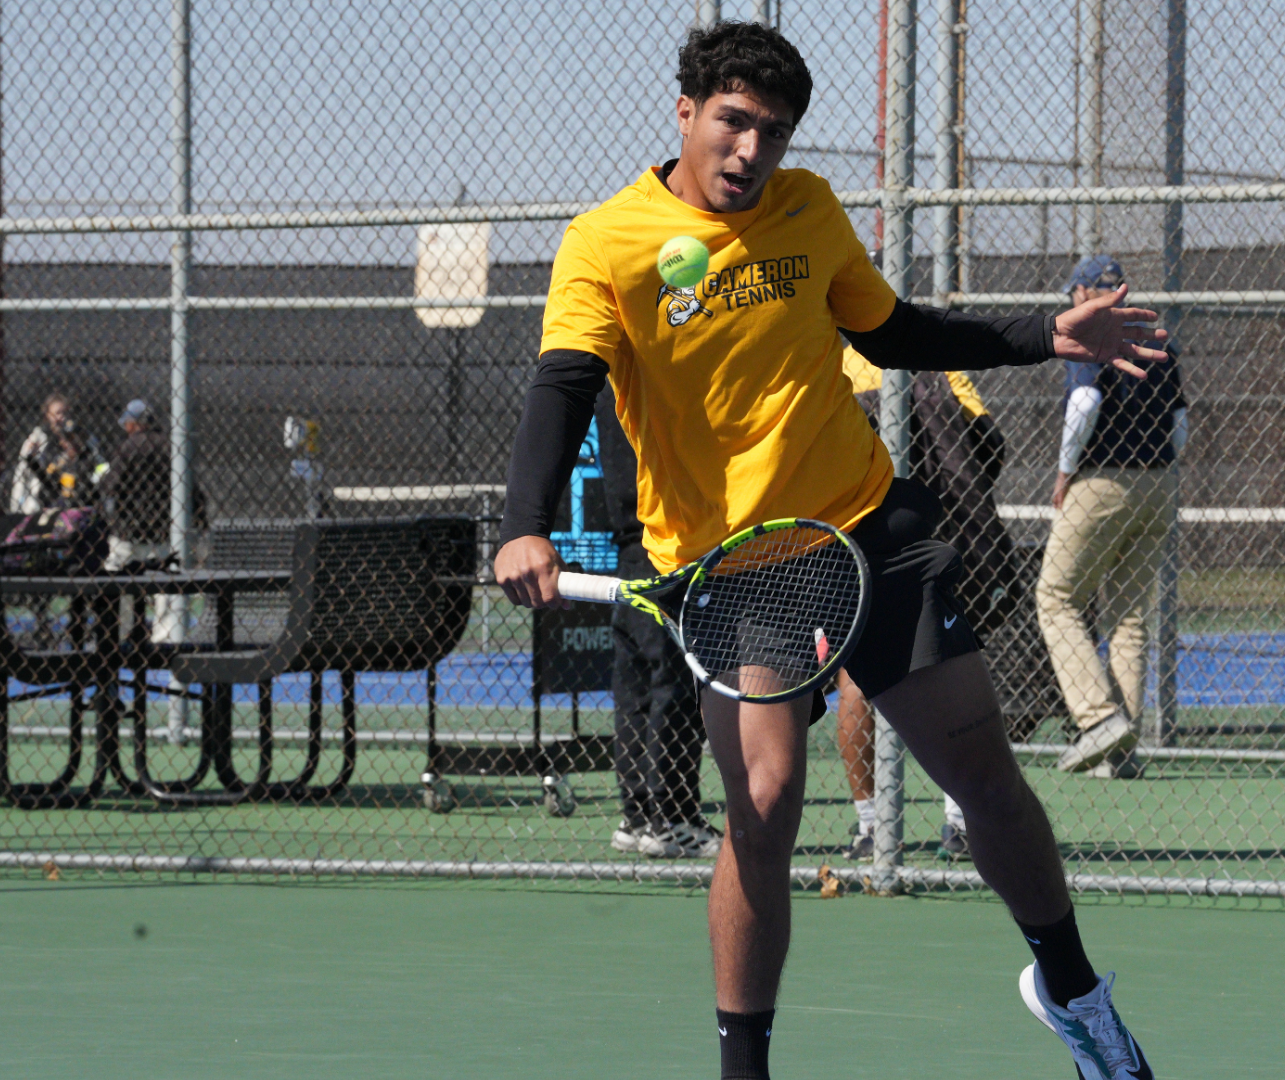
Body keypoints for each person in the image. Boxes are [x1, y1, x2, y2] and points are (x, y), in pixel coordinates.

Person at [493, 24, 1164, 1079]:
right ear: (686, 113)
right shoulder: (606, 244)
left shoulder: (808, 210)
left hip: (867, 527)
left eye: (773, 130)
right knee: (761, 810)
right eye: (733, 122)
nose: (751, 149)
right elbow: (564, 387)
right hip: (734, 572)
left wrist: (1045, 335)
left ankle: (1075, 995)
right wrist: (522, 520)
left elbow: (891, 332)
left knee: (986, 778)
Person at [834, 348, 1017, 862]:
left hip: (857, 538)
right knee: (950, 670)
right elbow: (987, 443)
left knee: (856, 677)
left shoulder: (830, 361)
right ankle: (960, 822)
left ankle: (872, 829)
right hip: (932, 533)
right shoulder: (934, 359)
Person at [1037, 257, 1187, 775]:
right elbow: (1181, 421)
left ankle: (1099, 720)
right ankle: (1122, 751)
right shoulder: (1156, 335)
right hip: (1160, 483)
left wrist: (1064, 473)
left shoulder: (1093, 332)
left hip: (1103, 478)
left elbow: (1083, 402)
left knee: (1056, 598)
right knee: (1128, 615)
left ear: (1083, 293)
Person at [596, 386, 723, 859]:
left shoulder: (614, 377)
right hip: (666, 547)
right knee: (671, 681)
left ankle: (641, 814)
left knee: (640, 683)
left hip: (635, 547)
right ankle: (670, 818)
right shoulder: (652, 373)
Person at [97, 399, 203, 644]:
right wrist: (199, 520)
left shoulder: (128, 447)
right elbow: (192, 489)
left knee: (117, 579)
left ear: (136, 424)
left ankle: (119, 633)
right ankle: (165, 637)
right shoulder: (171, 447)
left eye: (129, 422)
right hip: (163, 530)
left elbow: (110, 485)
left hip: (128, 530)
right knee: (165, 586)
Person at [9, 393, 102, 514]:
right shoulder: (38, 438)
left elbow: (96, 457)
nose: (62, 417)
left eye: (65, 413)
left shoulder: (79, 437)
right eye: (57, 413)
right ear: (47, 415)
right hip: (40, 499)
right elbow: (23, 470)